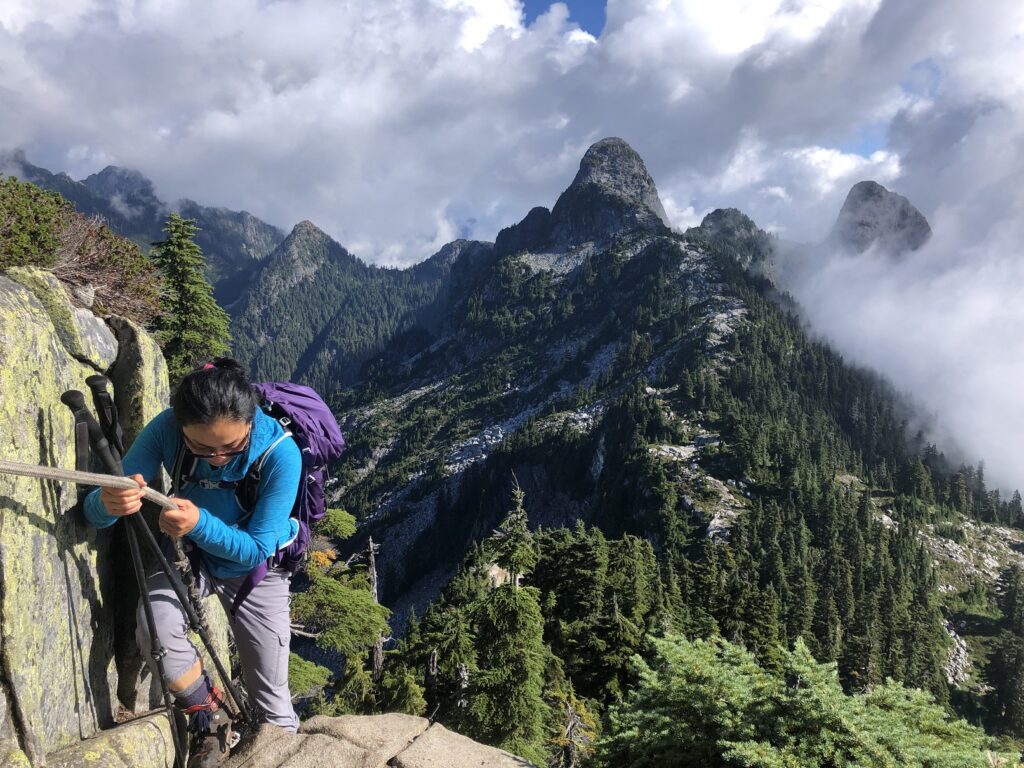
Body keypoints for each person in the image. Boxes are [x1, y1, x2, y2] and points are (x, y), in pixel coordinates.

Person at [84, 357, 301, 767]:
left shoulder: (280, 454)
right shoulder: (166, 428)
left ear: (251, 422)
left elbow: (255, 549)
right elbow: (101, 507)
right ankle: (209, 714)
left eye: (231, 447)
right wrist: (109, 502)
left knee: (271, 700)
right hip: (191, 556)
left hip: (255, 572)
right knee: (156, 631)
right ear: (180, 426)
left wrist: (198, 523)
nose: (217, 458)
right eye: (201, 447)